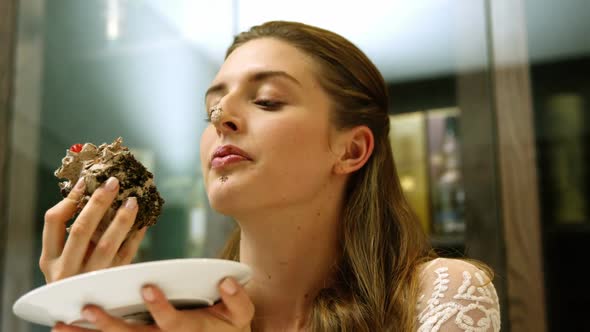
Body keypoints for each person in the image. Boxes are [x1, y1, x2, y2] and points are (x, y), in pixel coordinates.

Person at [41, 21, 501, 332]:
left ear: (352, 149)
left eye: (267, 101)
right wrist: (84, 310)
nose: (223, 118)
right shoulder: (165, 319)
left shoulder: (439, 294)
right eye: (211, 111)